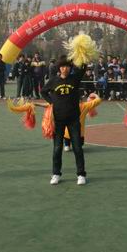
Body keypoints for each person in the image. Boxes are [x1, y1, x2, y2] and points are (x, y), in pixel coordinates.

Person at [41, 56, 87, 185]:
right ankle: (56, 174)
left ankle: (81, 174)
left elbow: (83, 68)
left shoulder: (74, 79)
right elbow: (43, 91)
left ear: (70, 68)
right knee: (57, 148)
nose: (64, 69)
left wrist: (82, 55)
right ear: (59, 68)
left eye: (67, 66)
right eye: (62, 67)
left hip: (73, 119)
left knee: (77, 147)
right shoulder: (53, 80)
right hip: (58, 119)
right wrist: (52, 102)